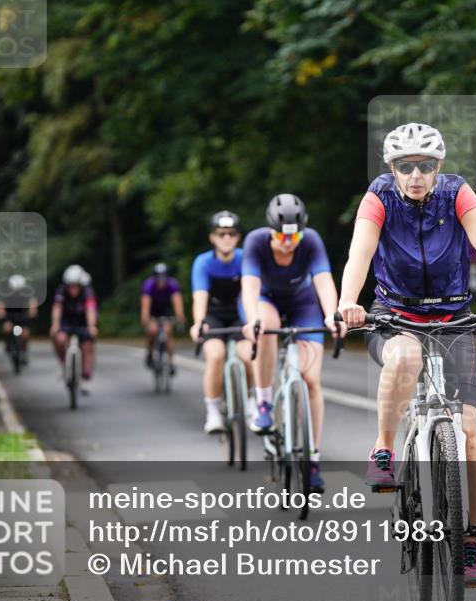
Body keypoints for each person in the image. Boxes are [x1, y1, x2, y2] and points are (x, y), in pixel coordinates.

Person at [336, 122, 476, 587]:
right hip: (395, 314)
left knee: (467, 431)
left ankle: (470, 538)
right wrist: (347, 302)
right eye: (405, 167)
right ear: (392, 169)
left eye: (425, 166)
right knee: (405, 359)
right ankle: (384, 448)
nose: (415, 175)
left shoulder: (457, 192)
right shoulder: (378, 196)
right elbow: (359, 254)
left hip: (453, 317)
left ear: (438, 166)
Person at [240, 194, 340, 493]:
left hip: (302, 303)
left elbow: (323, 280)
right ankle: (264, 402)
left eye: (294, 236)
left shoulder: (311, 240)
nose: (288, 242)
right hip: (265, 300)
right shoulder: (255, 241)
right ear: (271, 231)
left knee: (311, 380)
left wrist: (332, 315)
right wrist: (252, 319)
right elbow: (250, 286)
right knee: (266, 326)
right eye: (282, 236)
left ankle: (312, 460)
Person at [190, 211, 248, 434]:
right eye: (221, 233)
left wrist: (253, 321)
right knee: (215, 355)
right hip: (213, 315)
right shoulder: (203, 262)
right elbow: (200, 296)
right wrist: (198, 322)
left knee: (248, 355)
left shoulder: (245, 259)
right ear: (212, 237)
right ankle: (213, 411)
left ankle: (254, 400)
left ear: (238, 237)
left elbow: (251, 293)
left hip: (239, 313)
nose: (226, 238)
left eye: (231, 233)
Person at [50, 265, 98, 392]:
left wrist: (91, 326)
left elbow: (90, 309)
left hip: (83, 321)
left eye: (76, 285)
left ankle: (86, 375)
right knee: (59, 339)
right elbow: (57, 307)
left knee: (87, 345)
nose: (73, 288)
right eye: (71, 285)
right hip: (66, 321)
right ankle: (64, 363)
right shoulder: (61, 291)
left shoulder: (87, 291)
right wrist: (55, 324)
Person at [141, 263, 186, 374]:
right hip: (153, 310)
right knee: (152, 331)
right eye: (159, 278)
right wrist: (145, 318)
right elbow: (146, 303)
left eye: (163, 278)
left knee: (168, 331)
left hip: (166, 310)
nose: (161, 281)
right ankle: (150, 353)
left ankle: (171, 361)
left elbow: (177, 301)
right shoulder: (149, 285)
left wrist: (180, 316)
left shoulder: (172, 284)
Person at [0, 274, 38, 362]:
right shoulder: (6, 295)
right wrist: (1, 313)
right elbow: (1, 305)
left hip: (22, 316)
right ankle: (8, 344)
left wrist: (32, 311)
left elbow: (32, 302)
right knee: (7, 329)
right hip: (9, 316)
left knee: (25, 334)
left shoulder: (26, 293)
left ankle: (24, 352)